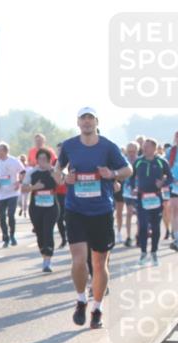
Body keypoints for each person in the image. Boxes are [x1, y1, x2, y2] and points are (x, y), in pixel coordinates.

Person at [54, 107, 131, 329]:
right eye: (83, 118)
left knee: (99, 263)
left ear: (97, 121)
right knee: (78, 260)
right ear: (78, 122)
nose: (87, 122)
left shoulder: (108, 146)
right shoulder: (69, 146)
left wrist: (113, 174)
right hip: (75, 209)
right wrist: (63, 178)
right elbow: (57, 172)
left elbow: (128, 170)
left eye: (90, 118)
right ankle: (81, 300)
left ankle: (97, 307)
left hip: (101, 211)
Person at [130, 137, 173, 266]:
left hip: (156, 198)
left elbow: (170, 178)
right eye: (144, 146)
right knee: (142, 226)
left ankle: (154, 253)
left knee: (155, 227)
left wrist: (163, 182)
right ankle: (143, 253)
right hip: (142, 199)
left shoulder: (161, 162)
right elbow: (131, 177)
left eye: (147, 146)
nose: (144, 148)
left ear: (154, 148)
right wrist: (133, 188)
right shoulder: (138, 162)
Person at [22, 147, 60, 272]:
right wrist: (34, 187)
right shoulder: (32, 172)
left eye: (45, 159)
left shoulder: (54, 171)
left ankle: (47, 261)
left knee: (48, 230)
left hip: (51, 206)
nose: (42, 161)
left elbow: (61, 183)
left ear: (49, 160)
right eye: (40, 159)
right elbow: (23, 189)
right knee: (39, 232)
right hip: (36, 207)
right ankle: (44, 254)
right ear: (36, 160)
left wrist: (53, 171)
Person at [0, 142, 26, 247]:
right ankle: (5, 236)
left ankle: (12, 235)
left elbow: (23, 172)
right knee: (2, 216)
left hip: (12, 192)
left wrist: (19, 182)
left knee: (11, 215)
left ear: (6, 151)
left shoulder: (13, 161)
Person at [116, 141, 140, 247]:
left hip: (140, 191)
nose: (131, 153)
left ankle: (139, 235)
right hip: (127, 192)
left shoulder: (140, 161)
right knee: (129, 213)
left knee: (139, 214)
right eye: (129, 151)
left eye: (133, 151)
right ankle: (128, 236)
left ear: (137, 151)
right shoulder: (123, 161)